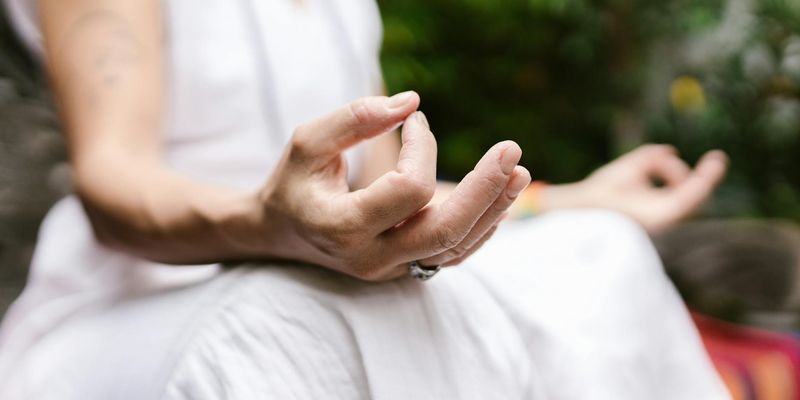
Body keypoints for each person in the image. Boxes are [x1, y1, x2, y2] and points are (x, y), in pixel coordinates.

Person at [0, 0, 731, 398]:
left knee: (605, 252)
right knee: (289, 319)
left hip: (309, 260)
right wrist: (271, 226)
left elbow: (382, 192)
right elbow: (113, 181)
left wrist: (575, 199)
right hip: (140, 300)